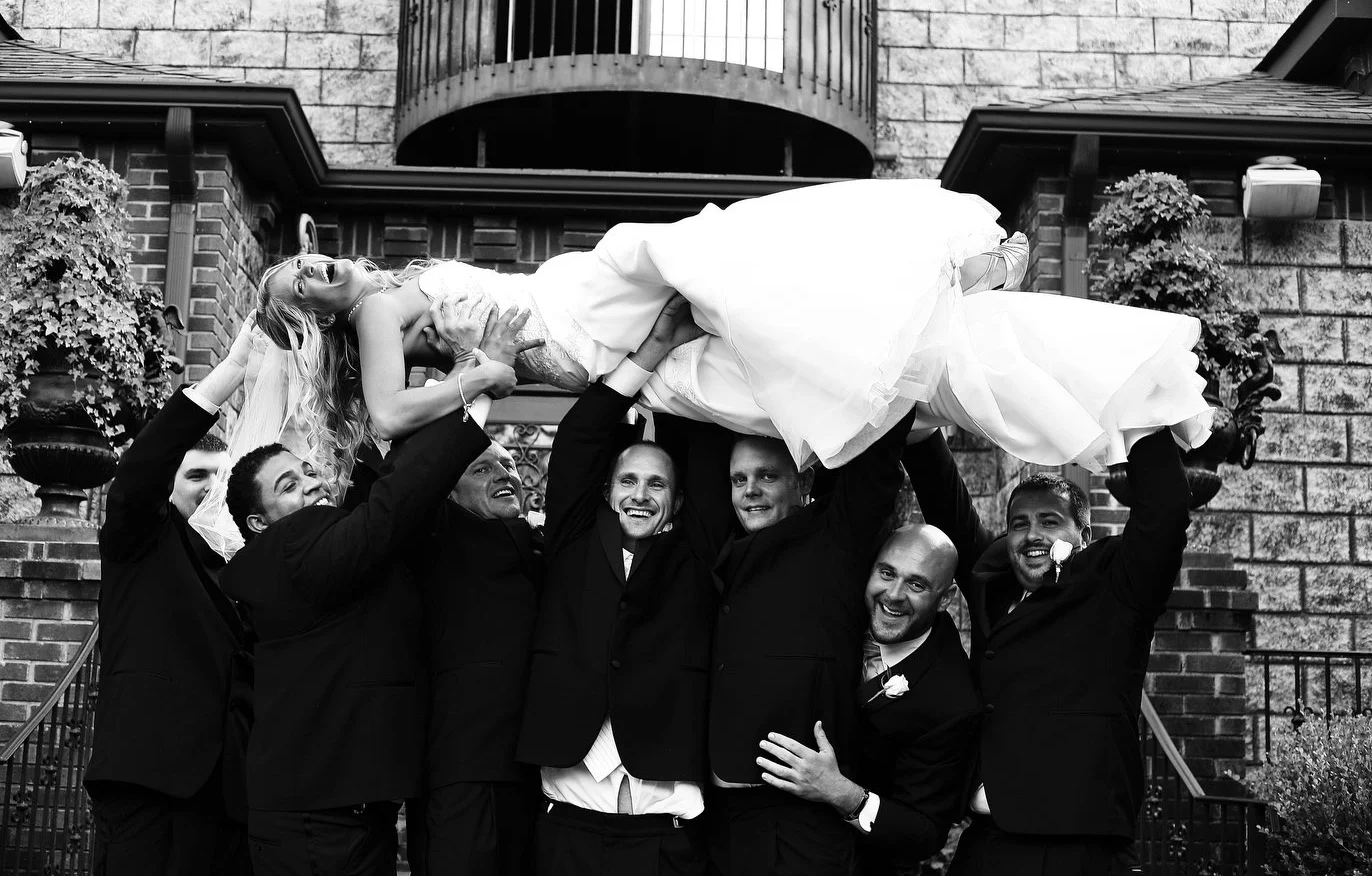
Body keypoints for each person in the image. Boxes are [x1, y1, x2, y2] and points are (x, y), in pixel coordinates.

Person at [226, 180, 1212, 519]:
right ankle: (929, 287)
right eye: (297, 289)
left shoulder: (390, 294)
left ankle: (931, 283)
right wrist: (483, 378)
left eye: (305, 264)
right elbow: (396, 416)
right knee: (725, 297)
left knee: (735, 292)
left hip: (573, 305)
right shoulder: (372, 316)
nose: (316, 272)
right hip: (571, 330)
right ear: (311, 319)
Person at [217, 357, 517, 876]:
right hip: (316, 819)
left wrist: (406, 379)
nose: (312, 483)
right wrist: (472, 397)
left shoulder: (323, 547)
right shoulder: (287, 552)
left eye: (307, 472)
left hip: (350, 809)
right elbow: (391, 508)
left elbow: (380, 489)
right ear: (258, 522)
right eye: (290, 485)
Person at [902, 421, 1192, 876]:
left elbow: (1166, 511)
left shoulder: (1117, 590)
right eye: (1019, 523)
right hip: (984, 846)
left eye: (1049, 522)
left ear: (1082, 535)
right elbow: (948, 507)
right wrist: (920, 428)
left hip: (1069, 856)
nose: (1032, 535)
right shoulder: (995, 587)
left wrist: (1145, 412)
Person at [514, 295, 721, 876]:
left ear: (677, 502)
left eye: (656, 485)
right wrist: (653, 349)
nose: (639, 494)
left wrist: (693, 355)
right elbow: (582, 437)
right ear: (607, 493)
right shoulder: (574, 541)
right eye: (627, 481)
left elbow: (708, 461)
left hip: (667, 830)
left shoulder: (698, 553)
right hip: (569, 818)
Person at [701, 411, 915, 876]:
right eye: (738, 479)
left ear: (803, 482)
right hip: (721, 829)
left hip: (799, 829)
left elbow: (878, 453)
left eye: (767, 476)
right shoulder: (719, 550)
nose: (750, 491)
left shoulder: (834, 542)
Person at [85, 319, 257, 876]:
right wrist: (231, 373)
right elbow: (141, 473)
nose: (212, 489)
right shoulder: (142, 540)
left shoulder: (247, 567)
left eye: (221, 477)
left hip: (230, 803)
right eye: (196, 477)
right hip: (153, 790)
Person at [754, 524, 982, 876]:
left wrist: (841, 792)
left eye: (916, 584)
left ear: (946, 598)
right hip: (778, 854)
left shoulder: (952, 701)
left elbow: (924, 830)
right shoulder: (836, 615)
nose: (894, 595)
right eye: (886, 573)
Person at [405, 440, 544, 876]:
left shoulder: (534, 545)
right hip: (463, 776)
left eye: (508, 464)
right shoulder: (436, 537)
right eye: (482, 468)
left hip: (536, 778)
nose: (504, 473)